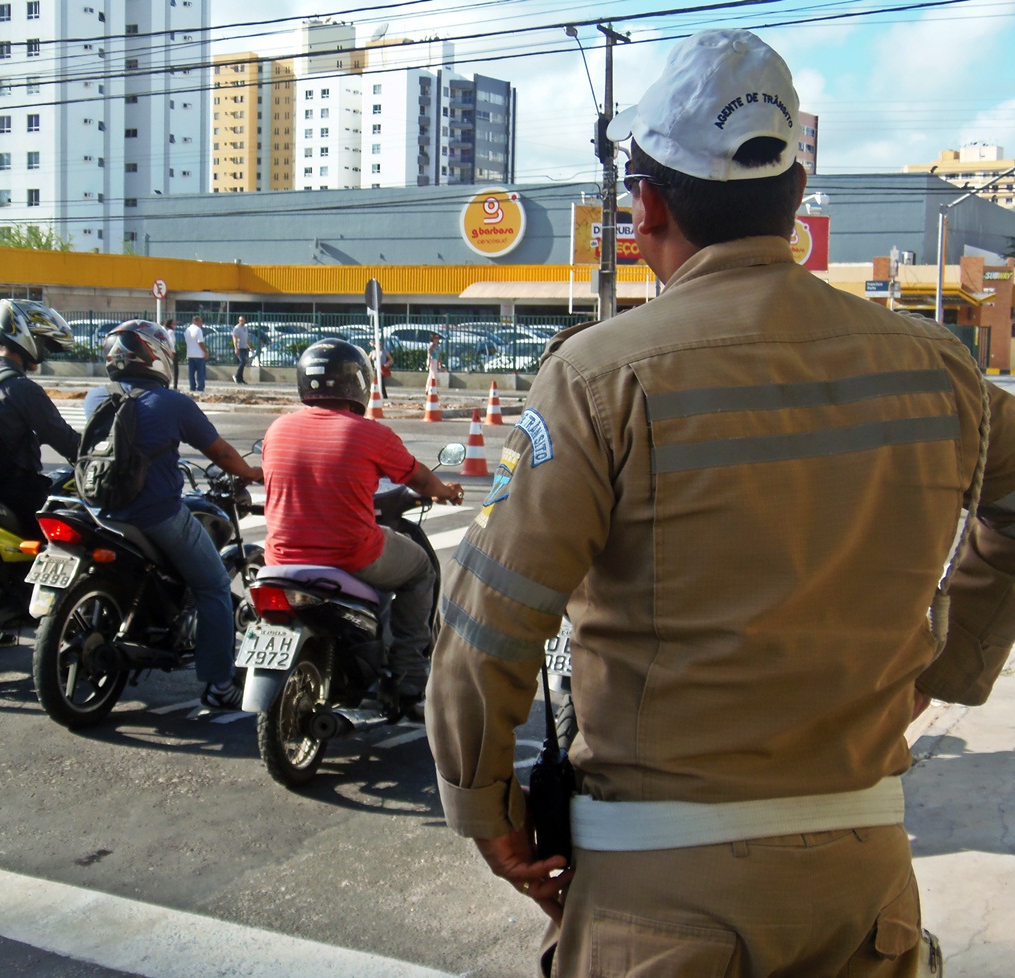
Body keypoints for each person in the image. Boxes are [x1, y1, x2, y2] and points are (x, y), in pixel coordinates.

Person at [426, 28, 1015, 977]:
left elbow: (491, 623)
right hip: (866, 889)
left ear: (647, 205)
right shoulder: (938, 366)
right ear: (792, 204)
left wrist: (484, 807)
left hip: (657, 894)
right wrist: (946, 672)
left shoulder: (598, 377)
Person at [262, 339, 463, 719]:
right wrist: (445, 493)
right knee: (419, 571)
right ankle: (408, 677)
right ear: (359, 382)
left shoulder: (278, 428)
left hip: (279, 558)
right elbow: (419, 477)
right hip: (351, 555)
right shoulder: (370, 434)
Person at [87, 320, 263, 708]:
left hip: (100, 511)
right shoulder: (173, 403)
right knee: (214, 586)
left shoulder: (98, 396)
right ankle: (220, 686)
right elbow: (220, 453)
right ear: (155, 356)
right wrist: (252, 472)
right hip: (155, 514)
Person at [0, 299, 81, 532]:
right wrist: (100, 458)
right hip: (15, 491)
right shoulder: (21, 388)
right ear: (25, 337)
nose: (43, 349)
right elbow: (64, 438)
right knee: (76, 536)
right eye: (42, 340)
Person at [183, 315, 207, 393]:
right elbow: (200, 342)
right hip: (199, 354)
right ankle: (200, 387)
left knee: (191, 373)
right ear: (196, 321)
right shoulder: (198, 330)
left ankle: (192, 387)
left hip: (190, 354)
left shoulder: (187, 330)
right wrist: (205, 352)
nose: (201, 323)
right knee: (200, 373)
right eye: (200, 321)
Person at [232, 315, 253, 385]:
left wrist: (250, 346)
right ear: (238, 321)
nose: (242, 322)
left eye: (243, 320)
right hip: (239, 347)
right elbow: (235, 339)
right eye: (240, 320)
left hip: (244, 347)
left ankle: (240, 379)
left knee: (244, 362)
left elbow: (247, 338)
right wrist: (236, 348)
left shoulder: (245, 328)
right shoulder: (236, 328)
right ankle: (236, 376)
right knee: (242, 361)